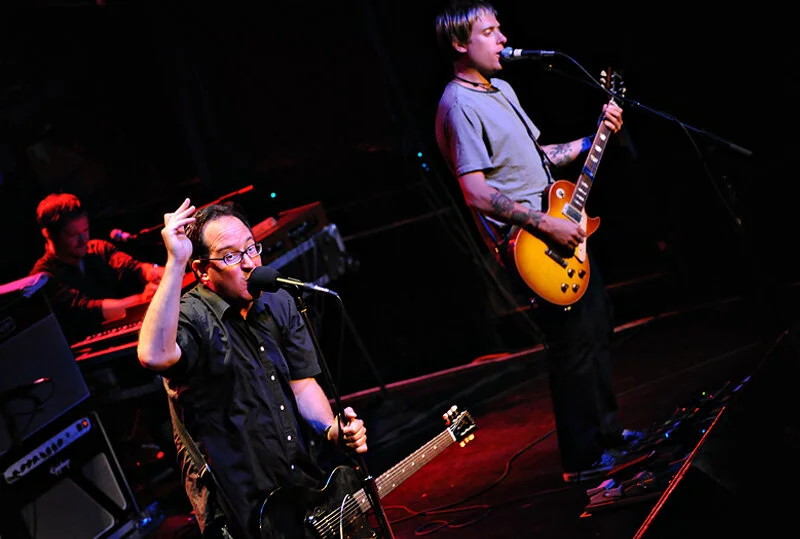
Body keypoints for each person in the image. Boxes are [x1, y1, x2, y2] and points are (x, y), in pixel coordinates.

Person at [434, 0, 643, 484]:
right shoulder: (459, 105)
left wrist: (595, 138)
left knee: (596, 329)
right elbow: (477, 191)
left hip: (560, 228)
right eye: (490, 31)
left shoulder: (502, 89)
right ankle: (584, 458)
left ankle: (609, 435)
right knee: (571, 347)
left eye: (500, 28)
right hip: (532, 244)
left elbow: (540, 156)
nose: (504, 38)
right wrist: (546, 226)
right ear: (460, 44)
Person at [137, 198, 369, 538]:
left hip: (295, 479)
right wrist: (175, 261)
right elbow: (153, 356)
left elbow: (302, 384)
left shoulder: (279, 301)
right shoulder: (191, 316)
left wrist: (332, 429)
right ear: (202, 270)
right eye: (230, 256)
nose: (249, 263)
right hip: (236, 499)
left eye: (251, 249)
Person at [29, 192, 164, 344]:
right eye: (73, 235)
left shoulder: (98, 249)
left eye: (85, 230)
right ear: (49, 235)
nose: (83, 240)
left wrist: (153, 273)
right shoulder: (42, 278)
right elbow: (91, 310)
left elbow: (135, 268)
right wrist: (142, 299)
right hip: (86, 356)